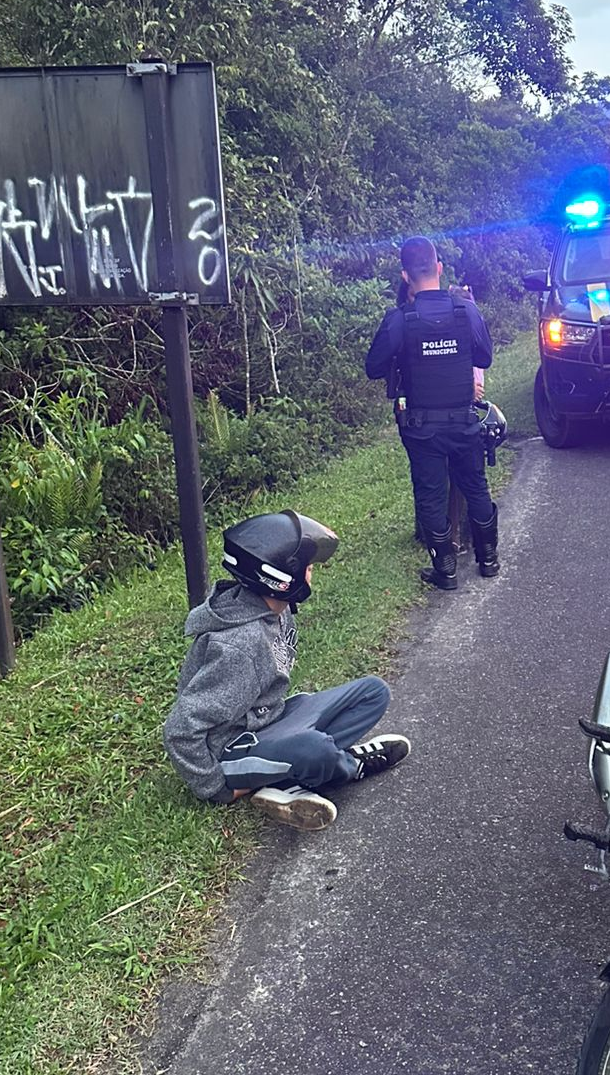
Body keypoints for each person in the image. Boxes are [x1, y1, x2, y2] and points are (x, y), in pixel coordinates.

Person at [163, 510, 410, 831]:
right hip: (233, 748)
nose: (311, 574)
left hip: (271, 719)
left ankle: (284, 778)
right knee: (315, 750)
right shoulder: (239, 647)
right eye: (307, 568)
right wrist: (217, 788)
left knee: (373, 692)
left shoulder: (276, 610)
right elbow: (179, 730)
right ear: (279, 579)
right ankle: (346, 765)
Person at [365, 237, 499, 590]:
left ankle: (446, 570)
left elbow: (373, 366)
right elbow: (484, 358)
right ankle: (489, 560)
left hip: (422, 427)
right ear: (439, 268)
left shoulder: (399, 319)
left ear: (405, 275)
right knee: (476, 487)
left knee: (430, 494)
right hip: (464, 421)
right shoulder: (464, 311)